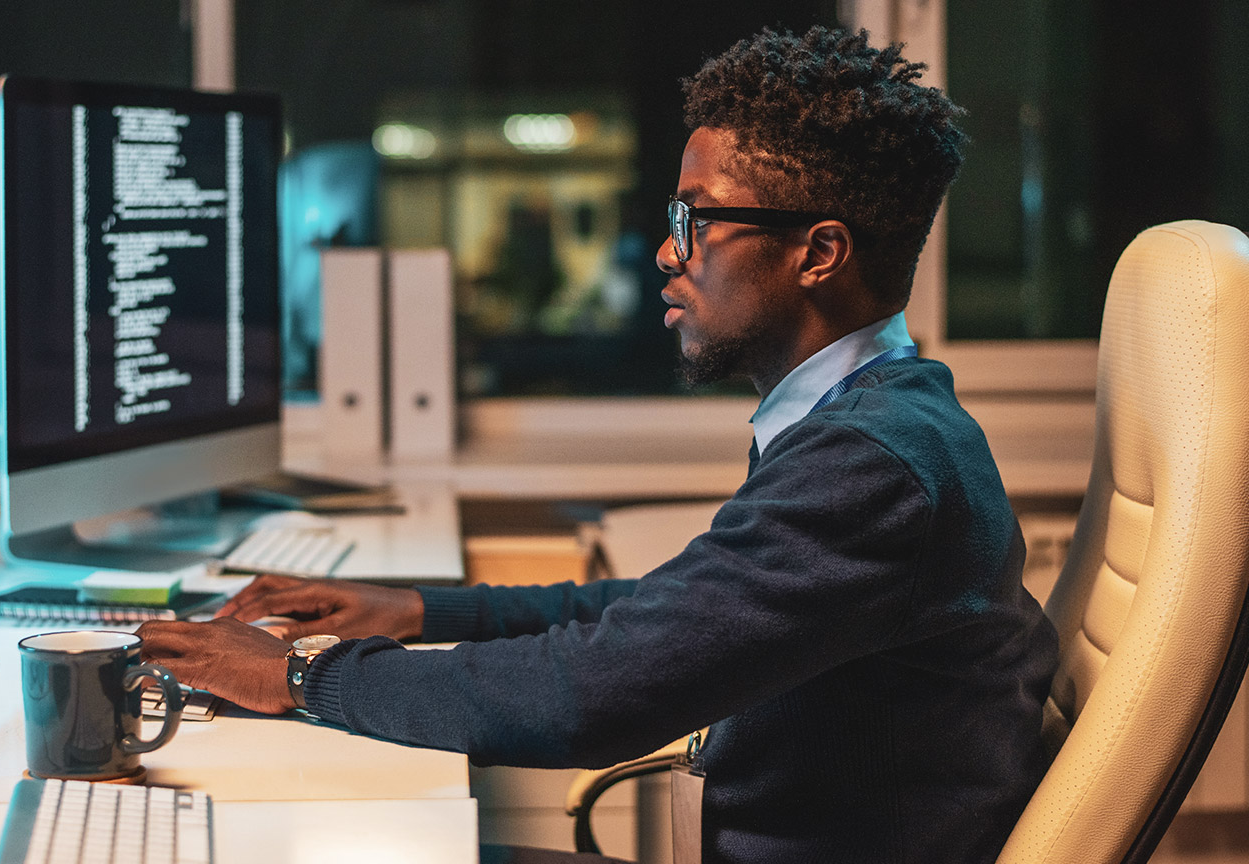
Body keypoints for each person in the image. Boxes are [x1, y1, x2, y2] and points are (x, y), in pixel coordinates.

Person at [139, 25, 1058, 864]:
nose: (669, 252)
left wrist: (302, 676)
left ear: (818, 254)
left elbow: (592, 698)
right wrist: (420, 610)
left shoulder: (874, 464)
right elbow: (674, 613)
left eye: (698, 219)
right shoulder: (875, 417)